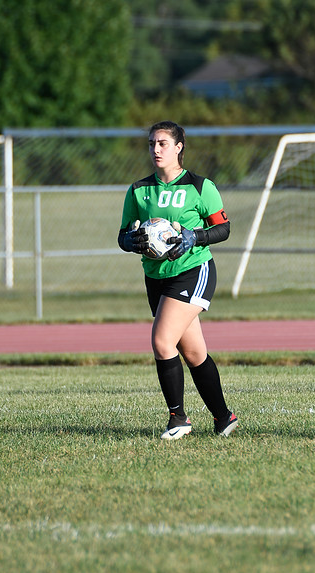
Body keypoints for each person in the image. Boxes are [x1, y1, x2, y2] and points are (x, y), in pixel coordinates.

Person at [118, 121, 238, 440]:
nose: (155, 150)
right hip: (155, 277)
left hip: (193, 270)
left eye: (162, 144)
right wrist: (130, 242)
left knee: (161, 342)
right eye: (151, 144)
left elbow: (223, 229)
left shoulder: (200, 187)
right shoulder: (139, 190)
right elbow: (123, 234)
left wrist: (193, 237)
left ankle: (179, 419)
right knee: (195, 353)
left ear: (178, 147)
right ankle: (224, 417)